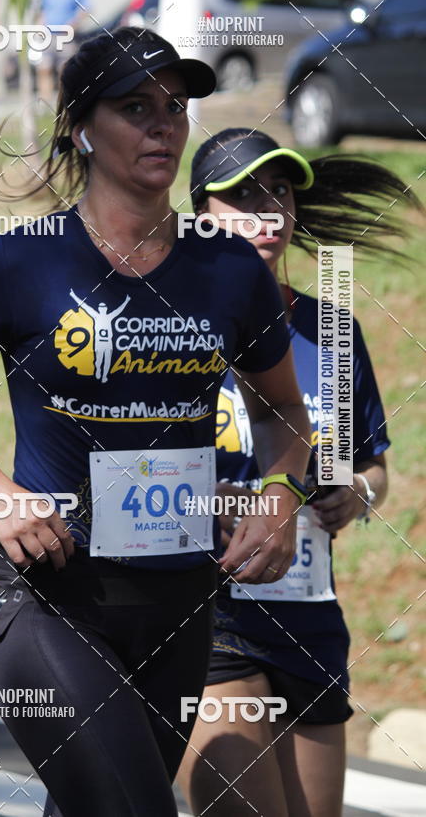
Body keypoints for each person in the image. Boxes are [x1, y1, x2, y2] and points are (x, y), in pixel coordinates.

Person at [0, 33, 311, 817]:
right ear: (82, 126)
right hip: (51, 600)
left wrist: (281, 491)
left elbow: (285, 410)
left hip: (179, 604)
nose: (164, 127)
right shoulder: (22, 264)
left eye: (176, 108)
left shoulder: (228, 269)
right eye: (135, 107)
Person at [177, 128, 420, 817]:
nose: (267, 208)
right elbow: (120, 471)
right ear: (202, 216)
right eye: (243, 194)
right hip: (210, 609)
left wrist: (357, 495)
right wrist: (202, 498)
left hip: (311, 613)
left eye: (279, 190)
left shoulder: (332, 333)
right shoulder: (173, 326)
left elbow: (370, 467)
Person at [35, 0, 90, 105]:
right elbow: (42, 10)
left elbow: (86, 8)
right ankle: (44, 103)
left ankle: (64, 103)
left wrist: (73, 24)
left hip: (65, 36)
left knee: (64, 70)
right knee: (44, 68)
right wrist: (40, 26)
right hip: (48, 35)